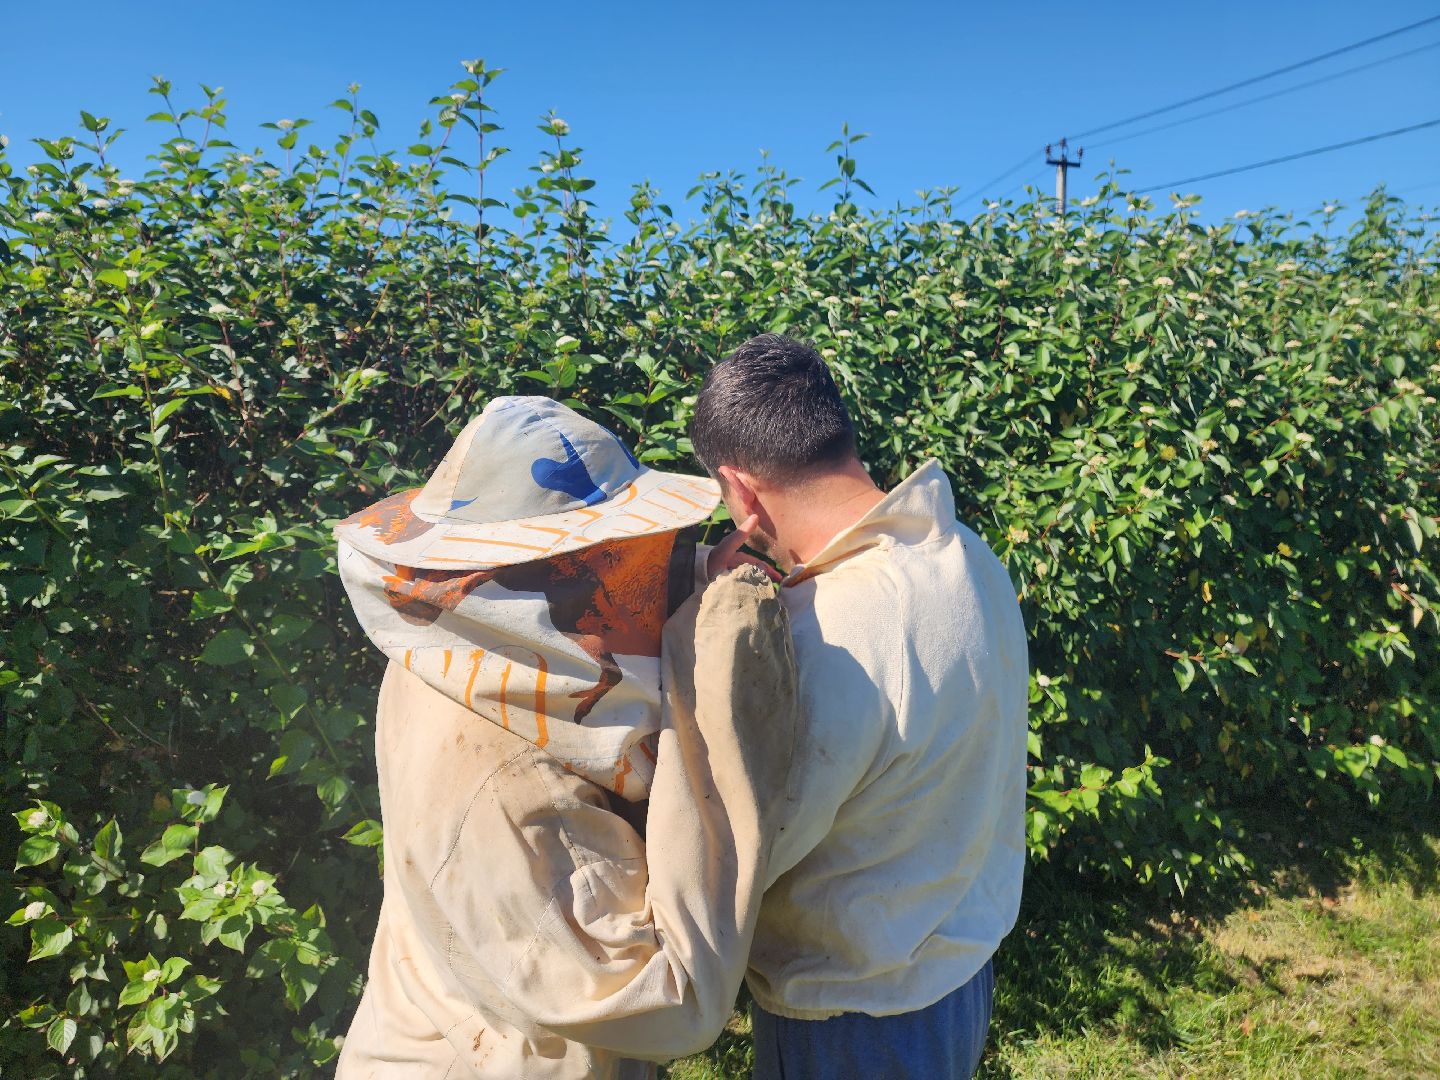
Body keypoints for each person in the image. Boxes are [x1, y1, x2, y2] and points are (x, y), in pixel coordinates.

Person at [331, 396, 799, 1078]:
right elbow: (673, 999)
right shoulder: (518, 792)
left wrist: (698, 571)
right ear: (552, 576)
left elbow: (578, 630)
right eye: (618, 560)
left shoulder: (445, 645)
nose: (641, 576)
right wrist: (721, 674)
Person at [689, 334, 1030, 1079]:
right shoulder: (967, 554)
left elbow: (749, 848)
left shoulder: (823, 635)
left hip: (850, 1014)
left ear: (741, 493)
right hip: (954, 972)